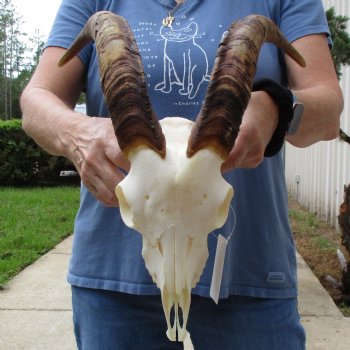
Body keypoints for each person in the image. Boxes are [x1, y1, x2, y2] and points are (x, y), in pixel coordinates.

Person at [20, 0, 343, 349]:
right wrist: (76, 134)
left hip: (249, 272)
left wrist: (275, 108)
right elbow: (37, 99)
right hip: (114, 277)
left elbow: (328, 109)